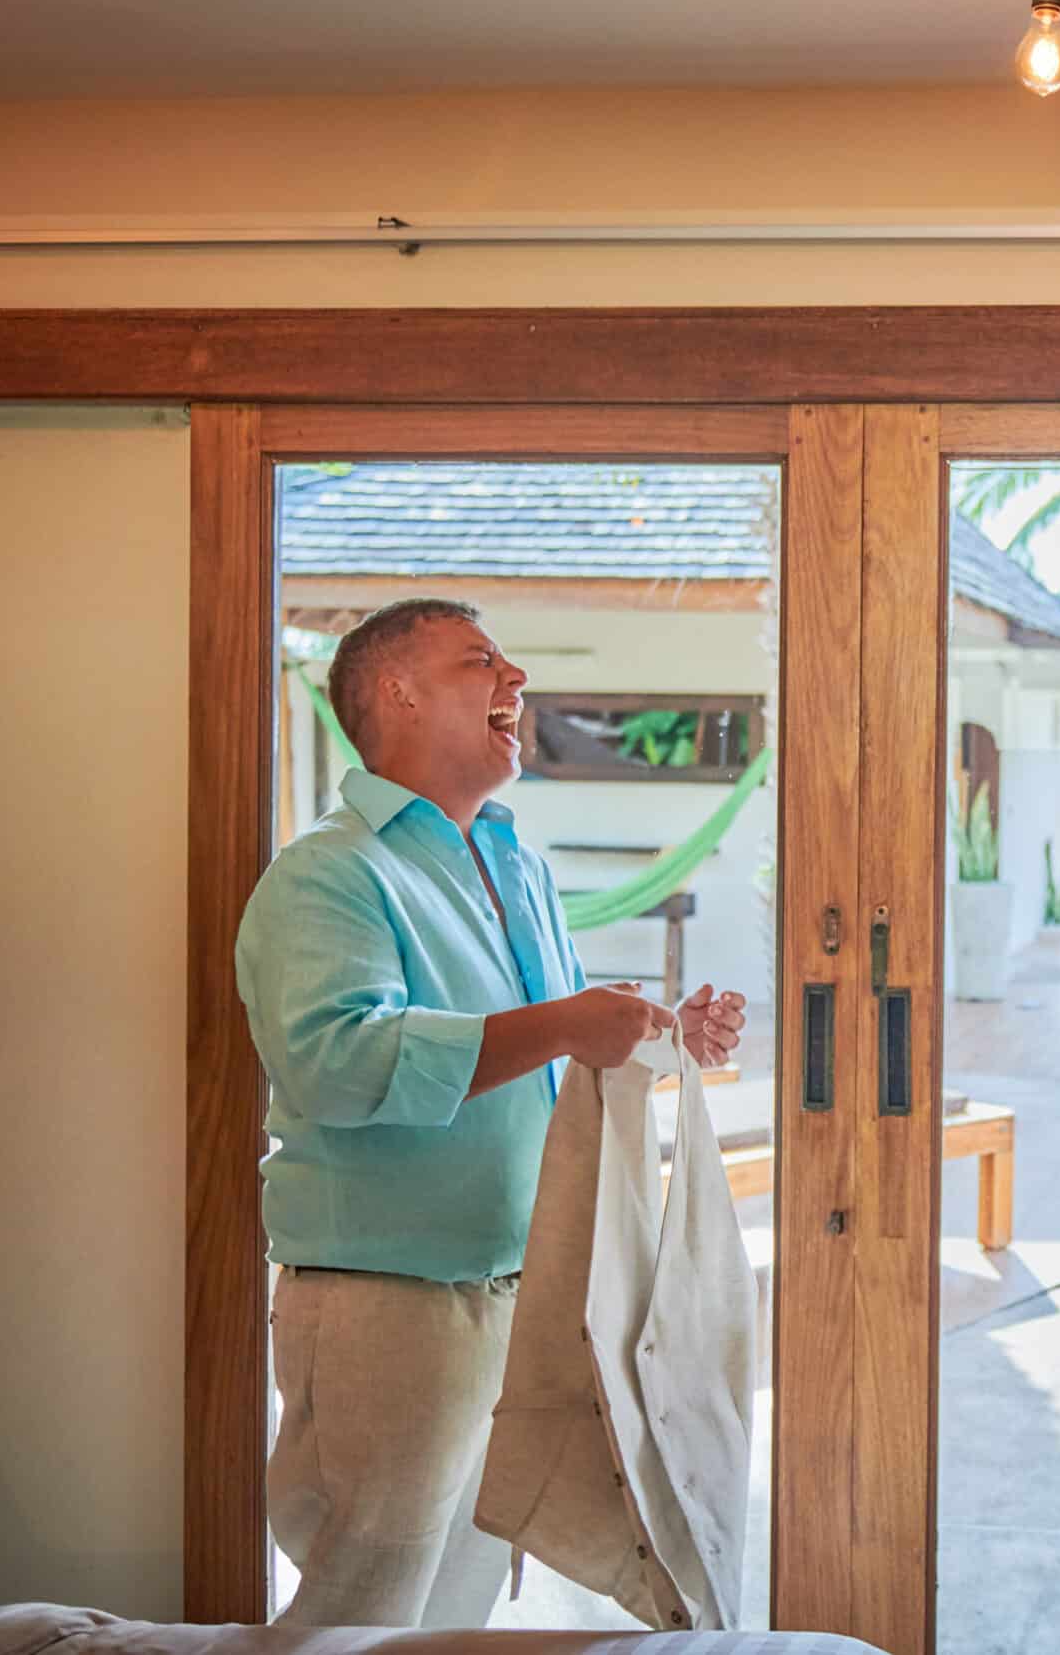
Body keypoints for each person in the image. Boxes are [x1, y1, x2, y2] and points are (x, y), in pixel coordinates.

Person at [236, 598, 746, 1628]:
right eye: (484, 662)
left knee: (458, 1618)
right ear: (398, 692)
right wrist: (567, 1022)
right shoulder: (329, 873)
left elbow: (545, 1045)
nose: (517, 681)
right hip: (390, 1306)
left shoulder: (515, 862)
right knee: (362, 1613)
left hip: (521, 1295)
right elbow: (339, 1063)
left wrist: (661, 1034)